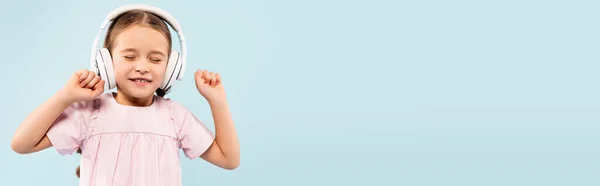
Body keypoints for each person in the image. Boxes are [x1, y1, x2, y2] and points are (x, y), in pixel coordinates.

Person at [10, 6, 240, 186]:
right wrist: (64, 97)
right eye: (130, 56)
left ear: (171, 68)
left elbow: (229, 159)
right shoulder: (90, 112)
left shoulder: (174, 117)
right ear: (106, 62)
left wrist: (217, 102)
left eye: (156, 59)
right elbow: (21, 144)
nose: (142, 67)